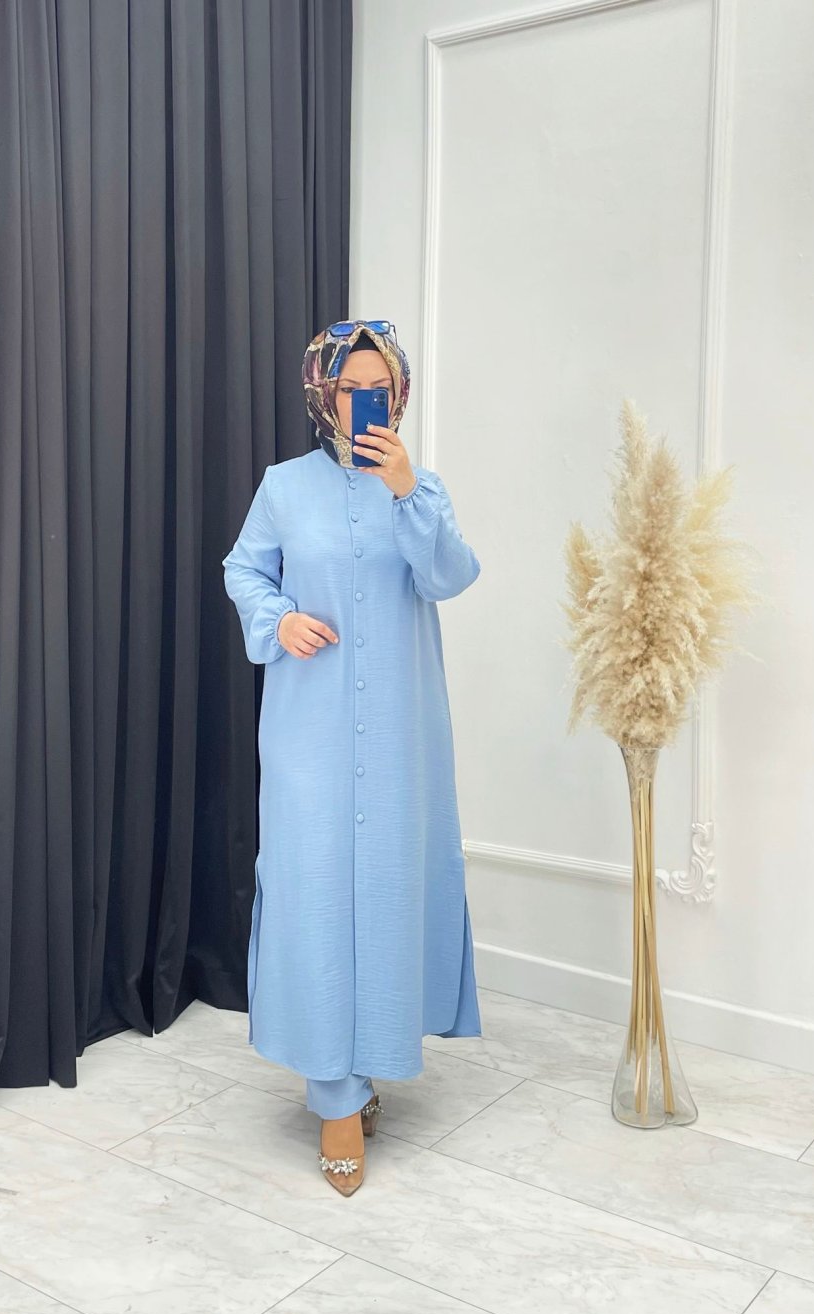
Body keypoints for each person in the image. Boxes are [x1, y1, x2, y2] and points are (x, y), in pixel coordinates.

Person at [221, 319, 483, 1195]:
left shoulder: (419, 486)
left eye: (379, 387)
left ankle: (366, 1070)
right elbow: (243, 570)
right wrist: (279, 619)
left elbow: (450, 577)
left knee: (388, 895)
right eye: (348, 387)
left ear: (397, 394)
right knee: (316, 896)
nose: (363, 400)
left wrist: (408, 491)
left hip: (402, 736)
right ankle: (334, 1095)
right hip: (310, 732)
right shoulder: (283, 486)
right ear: (321, 393)